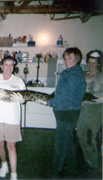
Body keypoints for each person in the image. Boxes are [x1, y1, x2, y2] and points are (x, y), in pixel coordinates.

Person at [46, 47, 86, 178]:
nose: (66, 60)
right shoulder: (67, 72)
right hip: (63, 111)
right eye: (65, 58)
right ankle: (72, 169)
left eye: (70, 58)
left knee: (60, 144)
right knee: (67, 141)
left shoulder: (74, 75)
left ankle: (54, 173)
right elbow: (62, 92)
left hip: (68, 112)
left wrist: (49, 102)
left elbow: (67, 96)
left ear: (77, 59)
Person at [0, 56, 26, 180]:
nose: (9, 68)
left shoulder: (18, 81)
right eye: (6, 65)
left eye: (11, 65)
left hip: (12, 118)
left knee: (11, 146)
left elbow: (23, 99)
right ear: (2, 66)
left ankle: (14, 175)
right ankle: (4, 164)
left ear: (14, 67)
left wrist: (21, 99)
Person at [76, 50, 103, 169]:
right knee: (80, 134)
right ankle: (88, 160)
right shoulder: (83, 75)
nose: (90, 65)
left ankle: (94, 166)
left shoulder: (101, 76)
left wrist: (98, 100)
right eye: (89, 63)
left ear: (98, 64)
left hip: (96, 109)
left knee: (89, 136)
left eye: (94, 63)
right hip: (83, 109)